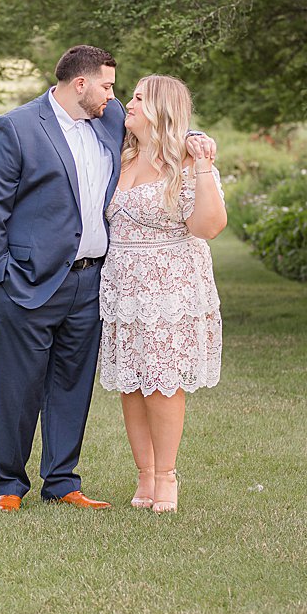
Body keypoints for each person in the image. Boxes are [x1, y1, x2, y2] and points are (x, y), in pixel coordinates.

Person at [0, 45, 216, 512]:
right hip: (27, 281)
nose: (115, 96)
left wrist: (198, 141)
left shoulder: (108, 118)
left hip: (93, 282)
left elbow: (166, 122)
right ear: (80, 84)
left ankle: (62, 482)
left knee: (71, 385)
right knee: (19, 386)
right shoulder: (16, 128)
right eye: (107, 85)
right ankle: (9, 485)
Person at [98, 75, 225, 513]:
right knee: (132, 383)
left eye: (136, 98)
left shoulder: (188, 161)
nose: (125, 104)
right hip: (123, 285)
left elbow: (208, 227)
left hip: (170, 287)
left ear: (160, 109)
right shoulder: (122, 152)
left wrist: (204, 164)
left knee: (162, 382)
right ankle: (145, 475)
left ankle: (167, 476)